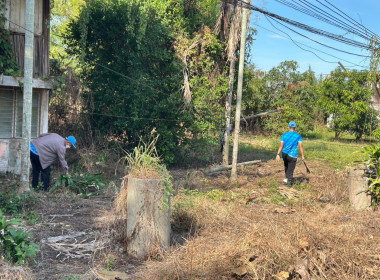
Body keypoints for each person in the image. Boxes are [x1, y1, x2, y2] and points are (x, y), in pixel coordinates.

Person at [276, 121, 305, 186]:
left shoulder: (284, 135)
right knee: (290, 170)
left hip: (284, 154)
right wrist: (303, 156)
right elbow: (301, 146)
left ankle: (287, 179)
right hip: (292, 155)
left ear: (288, 127)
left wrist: (278, 154)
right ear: (295, 128)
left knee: (286, 167)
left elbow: (281, 145)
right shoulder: (298, 136)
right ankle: (289, 185)